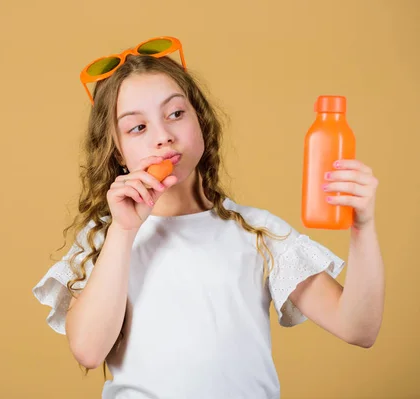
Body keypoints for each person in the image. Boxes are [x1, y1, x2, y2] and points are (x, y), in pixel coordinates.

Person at [32, 36, 384, 398]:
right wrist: (123, 230)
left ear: (199, 120)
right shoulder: (103, 239)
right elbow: (89, 351)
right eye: (138, 127)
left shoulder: (258, 232)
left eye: (176, 114)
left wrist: (364, 227)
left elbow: (358, 328)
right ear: (118, 152)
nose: (164, 137)